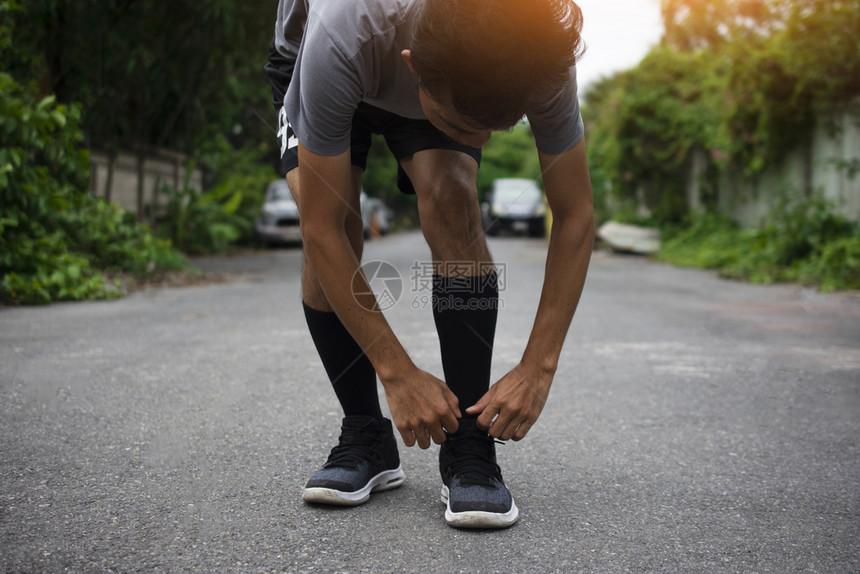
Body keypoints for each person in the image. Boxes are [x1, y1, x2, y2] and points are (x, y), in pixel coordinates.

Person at [265, 0, 593, 529]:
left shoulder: (537, 49)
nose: (480, 142)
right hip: (317, 56)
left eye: (494, 128)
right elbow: (321, 230)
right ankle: (365, 435)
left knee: (454, 197)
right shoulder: (344, 28)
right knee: (335, 217)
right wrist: (397, 374)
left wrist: (539, 367)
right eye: (465, 124)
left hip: (446, 61)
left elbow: (576, 214)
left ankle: (468, 444)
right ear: (414, 65)